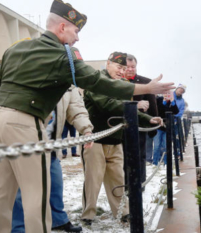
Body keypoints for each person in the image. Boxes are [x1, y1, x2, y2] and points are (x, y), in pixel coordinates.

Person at [0, 1, 174, 232]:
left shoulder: (16, 48)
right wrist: (146, 88)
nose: (77, 38)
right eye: (76, 31)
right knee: (37, 192)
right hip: (25, 121)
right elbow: (97, 82)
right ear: (62, 27)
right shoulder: (61, 55)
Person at [81, 52, 162, 224]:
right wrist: (132, 105)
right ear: (108, 63)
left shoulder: (122, 85)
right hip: (95, 139)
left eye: (125, 68)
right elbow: (106, 105)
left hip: (115, 139)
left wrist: (149, 119)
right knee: (92, 180)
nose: (122, 71)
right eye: (119, 67)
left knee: (118, 179)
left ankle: (123, 212)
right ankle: (88, 215)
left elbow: (129, 112)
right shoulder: (96, 83)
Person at [12, 86, 91, 233]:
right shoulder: (33, 73)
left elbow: (77, 109)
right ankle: (18, 228)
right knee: (22, 190)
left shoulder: (69, 86)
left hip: (51, 146)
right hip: (27, 142)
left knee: (55, 184)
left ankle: (57, 220)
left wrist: (86, 129)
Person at [124, 54, 158, 188]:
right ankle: (126, 184)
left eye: (133, 67)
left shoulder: (146, 82)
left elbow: (153, 104)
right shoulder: (116, 82)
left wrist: (153, 125)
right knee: (124, 157)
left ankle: (140, 184)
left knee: (140, 156)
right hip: (121, 126)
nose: (131, 69)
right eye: (128, 67)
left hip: (140, 126)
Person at [152, 93, 179, 165]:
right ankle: (155, 163)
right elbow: (159, 111)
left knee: (166, 146)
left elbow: (176, 111)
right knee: (157, 146)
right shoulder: (158, 100)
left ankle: (166, 163)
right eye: (165, 94)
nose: (167, 95)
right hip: (158, 126)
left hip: (167, 127)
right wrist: (164, 102)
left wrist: (172, 102)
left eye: (168, 94)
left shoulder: (172, 102)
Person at [173, 84, 186, 158]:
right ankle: (163, 155)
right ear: (176, 89)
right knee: (166, 137)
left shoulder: (182, 100)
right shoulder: (170, 95)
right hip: (168, 119)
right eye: (180, 89)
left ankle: (177, 152)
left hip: (176, 120)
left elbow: (181, 110)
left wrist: (176, 116)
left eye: (182, 91)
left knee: (177, 137)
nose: (181, 91)